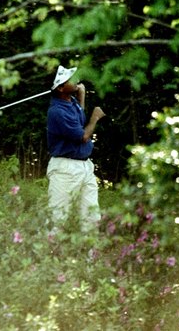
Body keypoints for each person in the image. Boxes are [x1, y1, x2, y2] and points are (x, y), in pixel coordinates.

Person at [46, 66, 106, 233]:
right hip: (65, 169)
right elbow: (83, 136)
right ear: (60, 88)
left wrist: (81, 96)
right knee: (58, 217)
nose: (76, 80)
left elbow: (78, 121)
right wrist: (95, 117)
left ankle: (91, 257)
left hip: (84, 166)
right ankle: (48, 255)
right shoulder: (57, 112)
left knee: (92, 215)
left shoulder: (70, 102)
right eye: (70, 79)